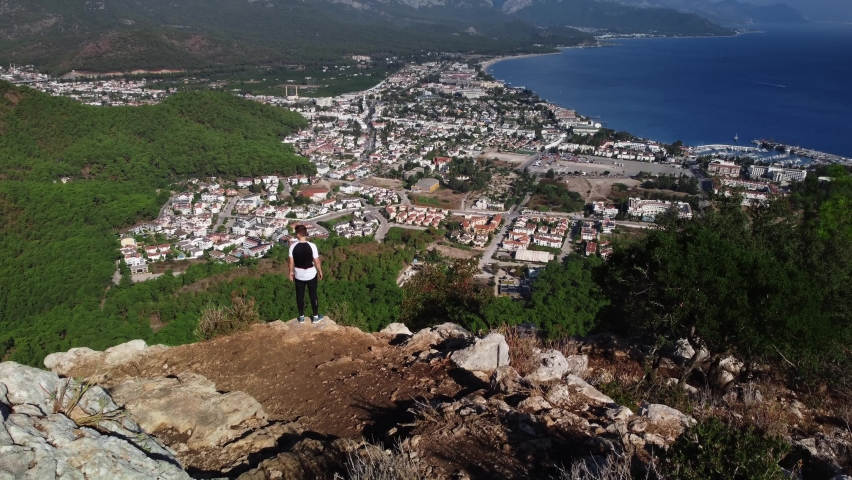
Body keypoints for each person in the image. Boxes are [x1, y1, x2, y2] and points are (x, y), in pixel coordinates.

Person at [288, 225, 324, 324]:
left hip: (299, 275)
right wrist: (320, 271)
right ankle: (316, 317)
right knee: (313, 295)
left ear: (298, 234)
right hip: (311, 274)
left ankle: (301, 317)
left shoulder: (292, 246)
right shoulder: (312, 246)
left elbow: (291, 262)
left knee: (300, 296)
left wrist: (291, 272)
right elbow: (316, 261)